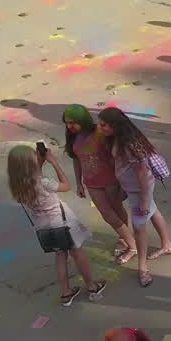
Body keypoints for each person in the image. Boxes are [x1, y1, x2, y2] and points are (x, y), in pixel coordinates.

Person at [7, 144, 106, 306]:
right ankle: (92, 287)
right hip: (62, 222)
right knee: (77, 253)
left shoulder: (18, 186)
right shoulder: (44, 182)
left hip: (43, 227)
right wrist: (53, 162)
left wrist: (41, 163)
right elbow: (66, 185)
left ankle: (66, 293)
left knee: (60, 255)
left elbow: (33, 176)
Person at [97, 108, 171, 288]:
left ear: (115, 126)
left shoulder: (130, 144)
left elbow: (142, 173)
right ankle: (167, 244)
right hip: (134, 189)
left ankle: (142, 268)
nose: (100, 128)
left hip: (140, 190)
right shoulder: (118, 138)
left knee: (139, 227)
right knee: (153, 212)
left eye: (103, 125)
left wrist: (144, 200)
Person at [62, 104, 136, 263]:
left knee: (117, 210)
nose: (69, 126)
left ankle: (126, 240)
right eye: (67, 123)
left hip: (111, 180)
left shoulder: (100, 132)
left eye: (73, 122)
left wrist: (123, 183)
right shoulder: (72, 137)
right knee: (108, 215)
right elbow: (77, 160)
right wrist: (79, 183)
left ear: (82, 120)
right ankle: (132, 243)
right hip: (92, 183)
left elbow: (118, 156)